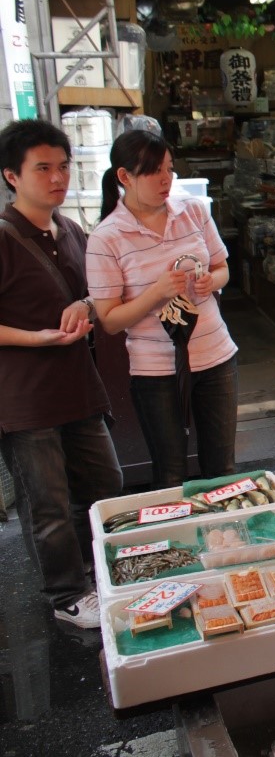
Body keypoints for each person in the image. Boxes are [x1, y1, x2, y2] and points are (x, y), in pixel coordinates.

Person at [0, 119, 122, 628]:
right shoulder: (4, 239)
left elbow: (95, 292)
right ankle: (66, 595)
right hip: (25, 399)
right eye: (43, 168)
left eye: (64, 166)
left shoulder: (71, 230)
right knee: (46, 504)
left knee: (103, 487)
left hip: (78, 390)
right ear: (12, 176)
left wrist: (88, 306)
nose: (58, 177)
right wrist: (39, 338)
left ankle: (99, 578)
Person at [86, 131, 238, 487]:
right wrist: (156, 293)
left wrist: (210, 282)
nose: (166, 179)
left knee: (224, 469)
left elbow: (223, 268)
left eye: (169, 169)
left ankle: (227, 538)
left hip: (216, 357)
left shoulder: (193, 211)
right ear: (124, 177)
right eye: (154, 171)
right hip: (156, 371)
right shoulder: (106, 238)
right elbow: (109, 320)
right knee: (171, 473)